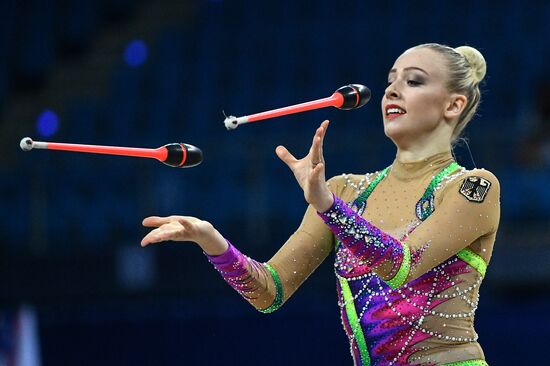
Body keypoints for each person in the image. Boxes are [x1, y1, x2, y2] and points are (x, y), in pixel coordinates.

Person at [141, 43, 500, 366]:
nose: (392, 90)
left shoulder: (472, 188)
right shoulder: (345, 191)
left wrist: (329, 208)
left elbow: (401, 265)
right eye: (391, 80)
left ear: (454, 104)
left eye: (414, 81)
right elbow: (270, 292)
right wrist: (212, 241)